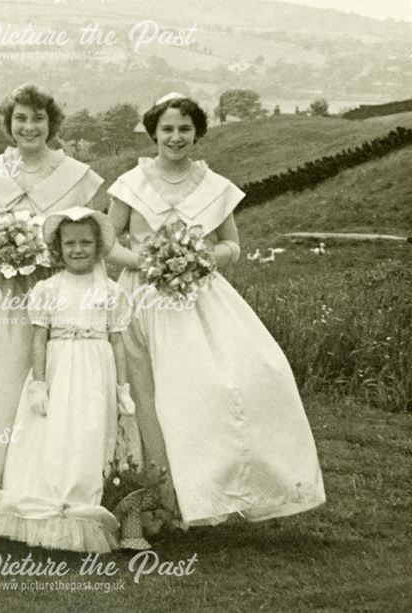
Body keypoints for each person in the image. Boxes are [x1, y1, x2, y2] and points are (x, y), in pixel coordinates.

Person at [106, 93, 325, 527]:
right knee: (144, 396)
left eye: (185, 129)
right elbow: (108, 243)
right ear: (153, 133)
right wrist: (150, 262)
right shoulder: (131, 183)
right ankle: (150, 500)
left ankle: (207, 491)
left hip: (198, 298)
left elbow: (233, 246)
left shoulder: (215, 186)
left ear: (197, 133)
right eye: (167, 129)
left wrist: (198, 257)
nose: (175, 137)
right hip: (141, 301)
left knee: (220, 387)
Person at [0, 84, 104, 522]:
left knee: (51, 391)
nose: (29, 127)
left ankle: (42, 493)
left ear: (51, 124)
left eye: (38, 119)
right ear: (8, 124)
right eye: (20, 119)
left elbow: (89, 247)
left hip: (52, 296)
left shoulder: (80, 177)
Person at [0, 207, 131, 552]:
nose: (78, 250)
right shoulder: (47, 288)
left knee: (88, 432)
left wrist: (122, 389)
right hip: (58, 367)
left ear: (98, 247)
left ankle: (83, 504)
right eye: (70, 244)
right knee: (50, 435)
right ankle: (45, 507)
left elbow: (118, 341)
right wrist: (39, 384)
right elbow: (39, 338)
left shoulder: (112, 292)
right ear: (58, 247)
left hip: (96, 371)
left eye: (85, 243)